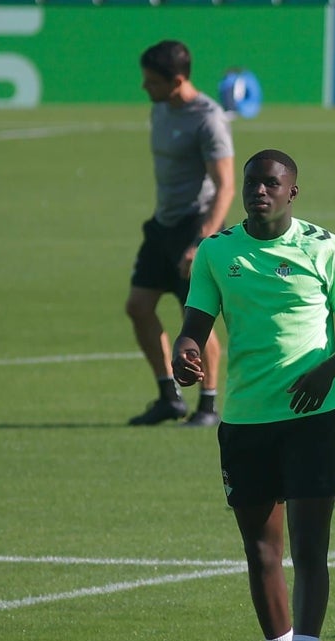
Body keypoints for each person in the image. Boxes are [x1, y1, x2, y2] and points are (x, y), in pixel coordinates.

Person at [172, 150, 335, 641]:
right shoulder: (217, 251)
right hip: (245, 421)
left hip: (312, 418)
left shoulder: (328, 249)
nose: (259, 190)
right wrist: (185, 357)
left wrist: (326, 370)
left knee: (309, 552)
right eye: (253, 183)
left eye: (271, 183)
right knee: (261, 554)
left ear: (293, 193)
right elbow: (194, 330)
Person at [127, 40, 233, 428]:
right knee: (138, 306)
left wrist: (202, 241)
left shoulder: (208, 119)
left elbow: (225, 187)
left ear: (177, 80)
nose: (144, 88)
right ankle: (169, 396)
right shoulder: (160, 108)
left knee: (197, 318)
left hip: (195, 226)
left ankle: (207, 405)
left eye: (151, 81)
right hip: (162, 225)